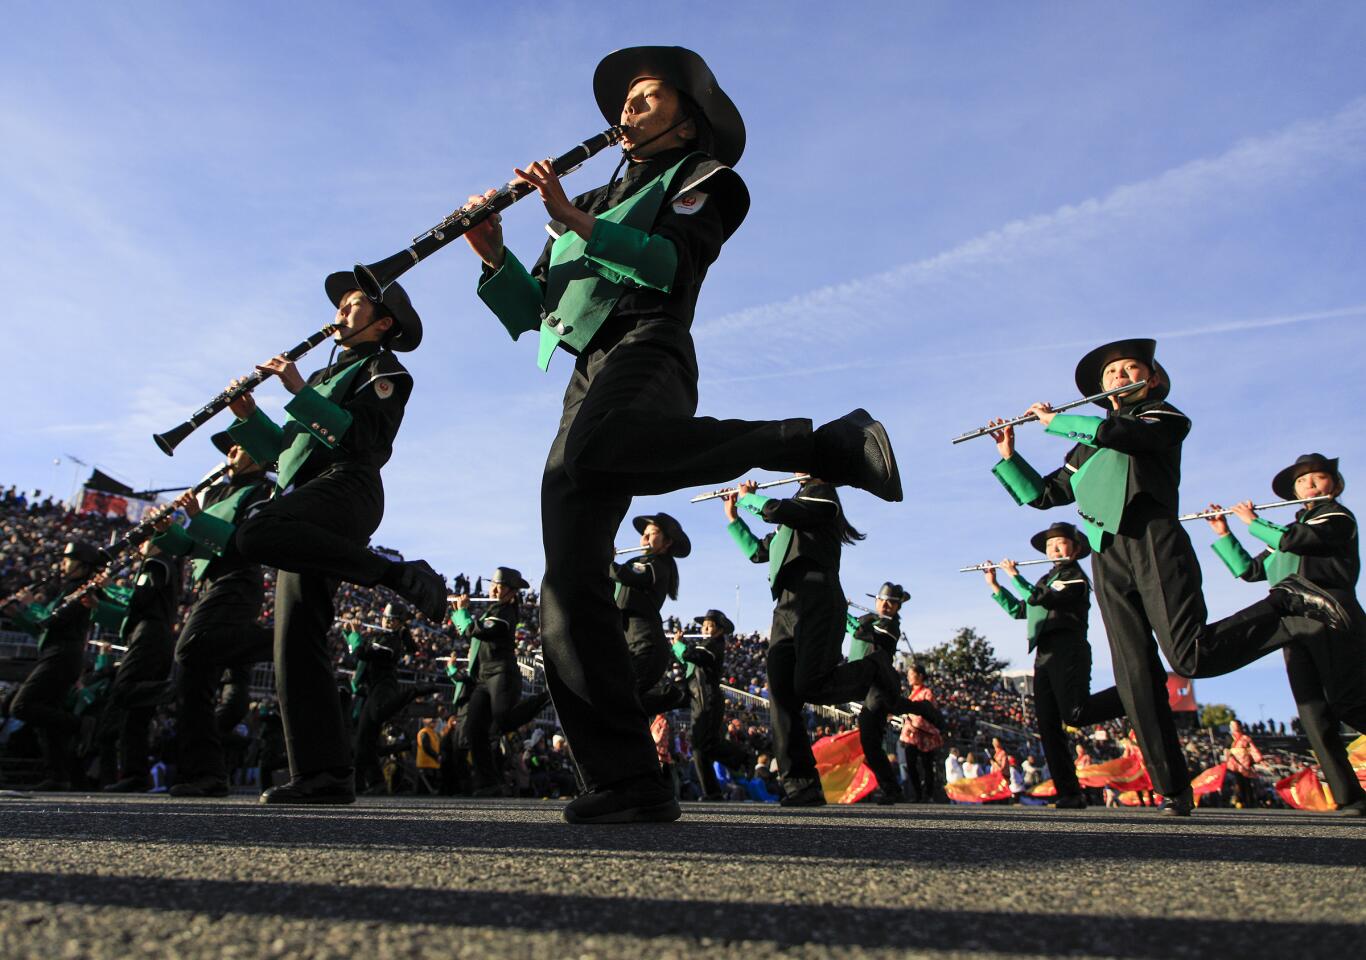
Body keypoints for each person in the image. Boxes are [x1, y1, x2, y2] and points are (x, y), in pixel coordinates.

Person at [463, 46, 902, 824]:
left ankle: (813, 445)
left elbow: (667, 265)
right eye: (624, 102)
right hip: (587, 373)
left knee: (598, 452)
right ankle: (628, 776)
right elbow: (540, 311)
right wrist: (496, 255)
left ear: (687, 119)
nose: (626, 112)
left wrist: (572, 218)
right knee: (565, 584)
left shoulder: (706, 181)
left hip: (651, 350)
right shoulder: (594, 193)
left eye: (646, 99)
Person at [984, 338, 1348, 816]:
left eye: (1130, 368)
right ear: (1101, 388)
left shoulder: (1163, 416)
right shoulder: (1084, 445)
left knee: (1189, 656)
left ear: (1150, 379)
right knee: (1134, 674)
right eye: (1111, 373)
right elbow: (1048, 495)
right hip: (1104, 552)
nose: (1119, 376)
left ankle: (1284, 603)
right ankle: (1172, 788)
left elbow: (1127, 437)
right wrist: (1011, 455)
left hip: (1153, 537)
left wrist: (1059, 423)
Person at [226, 274, 445, 805]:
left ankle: (395, 573)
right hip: (306, 498)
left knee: (253, 532)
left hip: (348, 488)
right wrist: (249, 416)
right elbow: (285, 455)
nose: (342, 312)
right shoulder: (328, 372)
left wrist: (300, 392)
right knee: (294, 640)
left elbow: (364, 438)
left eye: (353, 305)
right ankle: (324, 773)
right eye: (342, 305)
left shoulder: (385, 369)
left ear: (383, 322)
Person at [1203, 453, 1366, 816]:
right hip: (1292, 618)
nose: (1309, 484)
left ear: (1335, 485)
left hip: (1330, 612)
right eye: (1301, 481)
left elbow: (1300, 539)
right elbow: (1249, 571)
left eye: (1318, 478)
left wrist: (1253, 521)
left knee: (1349, 701)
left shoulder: (1337, 517)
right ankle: (1349, 797)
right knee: (1313, 713)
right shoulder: (1282, 537)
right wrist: (1224, 533)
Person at [722, 477, 899, 806]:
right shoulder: (789, 521)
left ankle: (874, 670)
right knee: (780, 696)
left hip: (818, 595)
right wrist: (734, 519)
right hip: (785, 607)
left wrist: (750, 499)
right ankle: (800, 784)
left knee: (809, 685)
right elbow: (760, 552)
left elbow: (778, 509)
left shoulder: (821, 495)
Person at [148, 433, 276, 797]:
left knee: (188, 651)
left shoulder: (260, 492)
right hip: (211, 582)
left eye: (239, 445)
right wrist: (168, 531)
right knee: (193, 680)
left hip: (236, 581)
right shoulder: (217, 492)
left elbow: (239, 543)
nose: (231, 451)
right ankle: (205, 774)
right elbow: (192, 547)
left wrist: (196, 516)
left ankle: (278, 639)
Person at [980, 521, 1125, 809]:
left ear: (1076, 548)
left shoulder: (1075, 576)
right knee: (1048, 725)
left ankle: (1127, 697)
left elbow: (1042, 598)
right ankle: (1069, 791)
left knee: (1074, 713)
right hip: (1044, 655)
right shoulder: (1047, 578)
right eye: (1049, 545)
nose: (1053, 548)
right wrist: (996, 585)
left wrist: (1016, 577)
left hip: (1068, 650)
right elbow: (1022, 610)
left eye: (1060, 543)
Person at [3, 541, 104, 789]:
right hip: (56, 653)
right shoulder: (67, 589)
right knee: (48, 717)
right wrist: (18, 615)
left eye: (68, 559)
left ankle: (80, 725)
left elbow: (52, 621)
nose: (63, 564)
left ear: (82, 565)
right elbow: (41, 631)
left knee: (22, 705)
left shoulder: (80, 591)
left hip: (62, 655)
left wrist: (29, 605)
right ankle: (58, 776)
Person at [448, 567, 551, 796]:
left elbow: (479, 632)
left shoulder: (506, 611)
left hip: (502, 674)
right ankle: (487, 783)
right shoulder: (492, 610)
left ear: (512, 592)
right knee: (475, 729)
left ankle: (546, 696)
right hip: (483, 678)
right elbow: (471, 631)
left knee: (503, 721)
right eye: (493, 584)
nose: (495, 588)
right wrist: (460, 614)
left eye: (501, 586)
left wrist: (462, 613)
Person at [93, 530, 183, 792]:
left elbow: (139, 600)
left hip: (149, 636)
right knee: (136, 712)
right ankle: (135, 773)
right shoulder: (159, 565)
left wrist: (109, 588)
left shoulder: (156, 563)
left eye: (145, 540)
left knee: (124, 690)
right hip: (151, 635)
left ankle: (173, 690)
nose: (140, 545)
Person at [850, 583, 940, 804]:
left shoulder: (890, 626)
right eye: (883, 600)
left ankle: (892, 788)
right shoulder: (874, 621)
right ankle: (892, 788)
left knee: (870, 738)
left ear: (898, 607)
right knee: (871, 738)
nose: (886, 604)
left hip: (879, 683)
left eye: (892, 602)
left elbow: (858, 631)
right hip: (871, 683)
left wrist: (843, 612)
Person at [348, 603, 435, 794]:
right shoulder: (380, 637)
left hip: (384, 688)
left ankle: (413, 692)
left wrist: (355, 635)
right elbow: (356, 656)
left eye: (391, 619)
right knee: (364, 740)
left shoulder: (391, 641)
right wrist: (352, 636)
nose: (385, 621)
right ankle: (373, 783)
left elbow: (362, 652)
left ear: (397, 623)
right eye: (386, 617)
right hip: (372, 689)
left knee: (372, 724)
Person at [611, 513, 689, 712]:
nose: (644, 538)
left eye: (652, 533)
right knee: (623, 706)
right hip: (632, 644)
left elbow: (627, 575)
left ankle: (673, 696)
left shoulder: (657, 564)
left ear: (667, 542)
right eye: (644, 534)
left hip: (646, 646)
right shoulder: (642, 561)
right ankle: (671, 697)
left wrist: (607, 561)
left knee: (621, 703)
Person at [674, 609, 750, 799]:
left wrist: (678, 645)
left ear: (719, 630)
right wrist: (679, 647)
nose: (705, 628)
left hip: (707, 699)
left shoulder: (713, 645)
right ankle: (712, 791)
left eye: (710, 625)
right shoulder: (704, 645)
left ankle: (743, 758)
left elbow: (692, 656)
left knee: (706, 744)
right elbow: (689, 661)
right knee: (699, 748)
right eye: (704, 625)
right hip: (698, 699)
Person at [899, 664, 944, 803]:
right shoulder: (911, 693)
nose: (908, 676)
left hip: (925, 734)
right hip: (911, 734)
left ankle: (928, 794)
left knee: (927, 765)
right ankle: (918, 793)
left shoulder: (926, 693)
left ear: (920, 676)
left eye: (911, 674)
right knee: (911, 764)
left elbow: (929, 711)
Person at [1223, 719, 1263, 809]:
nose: (1233, 727)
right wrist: (1227, 757)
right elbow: (1226, 749)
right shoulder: (1229, 737)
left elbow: (1252, 749)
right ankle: (1239, 800)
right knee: (1237, 782)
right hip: (1234, 763)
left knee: (1247, 783)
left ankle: (1249, 801)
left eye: (1234, 725)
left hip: (1245, 762)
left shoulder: (1245, 738)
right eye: (1231, 725)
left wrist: (1254, 759)